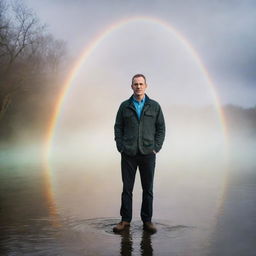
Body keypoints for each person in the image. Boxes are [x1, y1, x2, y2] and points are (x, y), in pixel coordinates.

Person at [113, 74, 165, 233]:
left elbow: (161, 129)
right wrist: (120, 146)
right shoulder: (124, 106)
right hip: (128, 153)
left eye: (141, 84)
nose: (138, 86)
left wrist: (156, 147)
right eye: (135, 84)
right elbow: (118, 127)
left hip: (148, 153)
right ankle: (125, 221)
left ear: (146, 86)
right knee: (127, 189)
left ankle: (147, 221)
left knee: (148, 189)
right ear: (131, 87)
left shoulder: (155, 106)